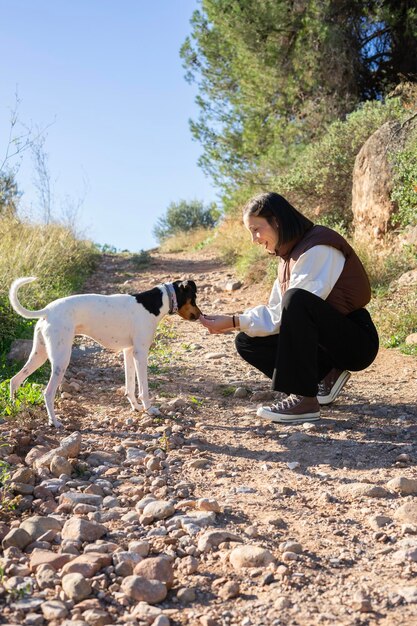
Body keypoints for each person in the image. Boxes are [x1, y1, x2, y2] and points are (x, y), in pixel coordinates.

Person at [199, 192, 379, 424]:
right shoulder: (287, 260)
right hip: (326, 342)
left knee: (295, 299)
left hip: (355, 341)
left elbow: (296, 308)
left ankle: (304, 399)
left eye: (256, 229)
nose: (254, 239)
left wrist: (236, 320)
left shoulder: (320, 246)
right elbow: (277, 312)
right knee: (247, 341)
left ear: (277, 221)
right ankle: (324, 376)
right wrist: (235, 321)